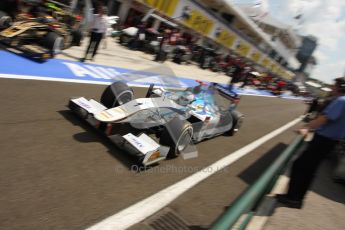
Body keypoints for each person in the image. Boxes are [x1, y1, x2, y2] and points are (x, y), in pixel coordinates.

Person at [276, 77, 345, 208]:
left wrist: (306, 127)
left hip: (323, 140)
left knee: (300, 166)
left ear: (341, 87)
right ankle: (296, 198)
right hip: (330, 142)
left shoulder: (341, 101)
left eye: (334, 86)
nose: (332, 88)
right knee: (308, 170)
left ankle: (293, 198)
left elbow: (324, 118)